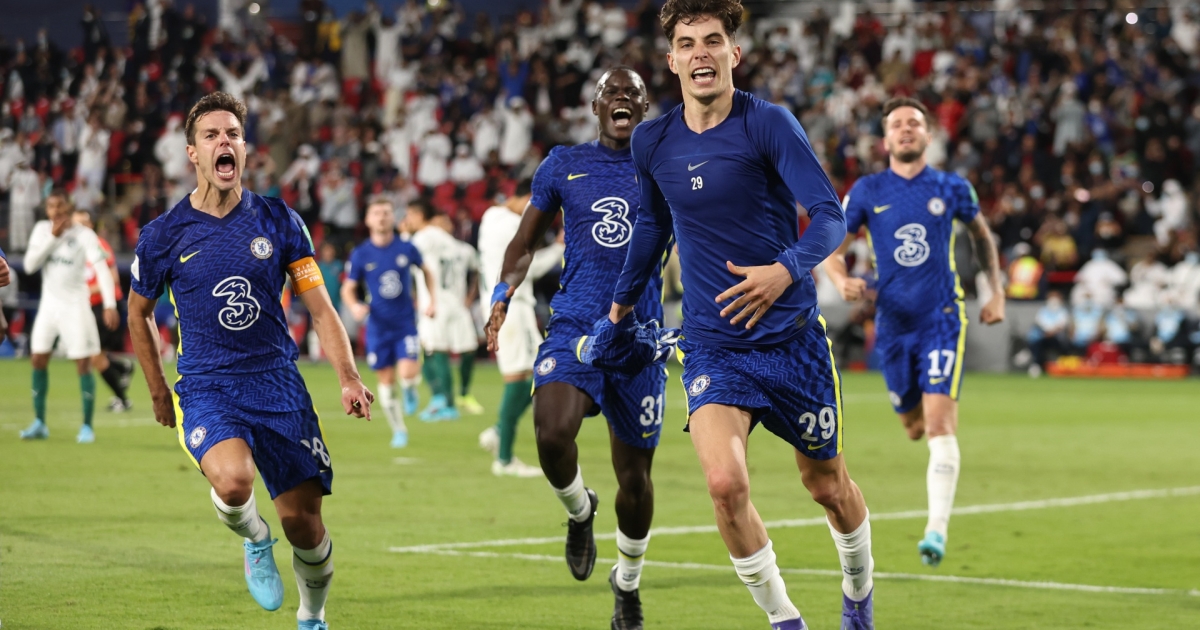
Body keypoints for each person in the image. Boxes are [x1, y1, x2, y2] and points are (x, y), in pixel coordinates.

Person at [605, 2, 875, 627]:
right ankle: (786, 620)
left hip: (792, 342)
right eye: (687, 43)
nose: (700, 52)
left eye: (713, 40)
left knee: (828, 487)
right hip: (712, 346)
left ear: (735, 53)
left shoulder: (768, 123)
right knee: (725, 486)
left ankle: (858, 597)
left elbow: (829, 216)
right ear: (671, 60)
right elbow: (652, 226)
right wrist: (619, 306)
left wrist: (785, 269)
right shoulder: (652, 140)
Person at [126, 92, 372, 630]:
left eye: (233, 134)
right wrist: (158, 390)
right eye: (212, 135)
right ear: (193, 153)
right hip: (208, 384)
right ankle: (255, 539)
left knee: (305, 527)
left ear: (244, 148)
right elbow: (137, 312)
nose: (225, 142)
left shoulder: (279, 220)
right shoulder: (164, 234)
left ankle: (312, 616)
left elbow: (321, 308)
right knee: (234, 483)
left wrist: (349, 378)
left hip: (277, 384)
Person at [484, 66, 667, 630]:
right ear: (595, 106)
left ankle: (627, 583)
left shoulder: (668, 165)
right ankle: (579, 509)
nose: (622, 99)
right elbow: (525, 240)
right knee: (551, 433)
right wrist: (502, 294)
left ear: (644, 108)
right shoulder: (563, 163)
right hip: (575, 327)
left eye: (633, 94)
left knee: (634, 479)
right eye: (613, 92)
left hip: (639, 339)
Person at [822, 96, 1005, 570]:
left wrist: (995, 292)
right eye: (897, 125)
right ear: (885, 139)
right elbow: (832, 247)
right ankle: (921, 414)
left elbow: (981, 236)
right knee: (913, 426)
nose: (906, 129)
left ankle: (935, 530)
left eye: (914, 123)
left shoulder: (951, 187)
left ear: (928, 135)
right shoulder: (868, 190)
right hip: (893, 324)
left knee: (940, 426)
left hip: (942, 318)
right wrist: (840, 280)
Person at [477, 178, 562, 478]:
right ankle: (504, 459)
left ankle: (499, 430)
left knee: (542, 374)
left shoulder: (491, 217)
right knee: (522, 377)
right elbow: (530, 267)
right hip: (511, 308)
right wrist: (558, 248)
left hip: (507, 306)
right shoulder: (512, 224)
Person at [20, 190, 117, 444]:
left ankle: (87, 426)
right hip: (48, 307)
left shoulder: (84, 234)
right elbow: (29, 266)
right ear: (47, 210)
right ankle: (39, 422)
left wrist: (109, 304)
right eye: (51, 206)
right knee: (38, 359)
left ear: (69, 207)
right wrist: (53, 238)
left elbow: (102, 268)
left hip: (75, 307)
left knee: (83, 363)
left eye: (60, 206)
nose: (56, 211)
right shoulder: (41, 230)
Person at [341, 197, 436, 448]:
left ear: (393, 217)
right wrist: (355, 306)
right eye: (376, 213)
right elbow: (348, 288)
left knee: (408, 373)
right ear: (368, 219)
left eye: (386, 212)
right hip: (378, 326)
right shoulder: (361, 253)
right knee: (386, 381)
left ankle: (410, 387)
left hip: (405, 324)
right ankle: (399, 430)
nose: (382, 217)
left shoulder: (407, 248)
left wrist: (431, 300)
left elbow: (427, 271)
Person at [406, 200, 481, 420]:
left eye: (410, 215)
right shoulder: (457, 245)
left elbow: (405, 259)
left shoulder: (423, 238)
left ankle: (446, 403)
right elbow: (477, 269)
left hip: (434, 304)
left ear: (419, 215)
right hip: (456, 304)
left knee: (436, 350)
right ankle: (456, 395)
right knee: (465, 349)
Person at [74, 209, 137, 411]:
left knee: (94, 356)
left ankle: (123, 400)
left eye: (83, 223)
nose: (78, 227)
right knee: (87, 353)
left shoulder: (99, 246)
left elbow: (113, 278)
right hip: (88, 306)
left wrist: (84, 290)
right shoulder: (73, 248)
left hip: (104, 306)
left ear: (90, 225)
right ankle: (122, 367)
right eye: (75, 223)